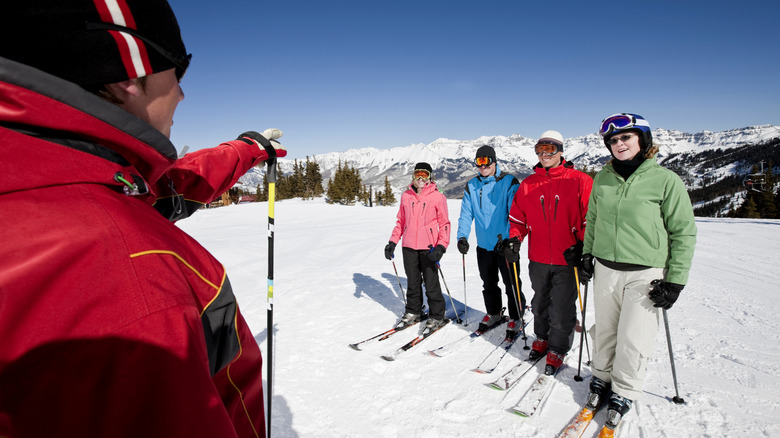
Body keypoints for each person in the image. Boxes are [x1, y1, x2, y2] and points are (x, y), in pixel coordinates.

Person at [0, 2, 285, 436]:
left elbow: (169, 188)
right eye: (176, 73)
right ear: (126, 78)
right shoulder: (128, 271)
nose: (183, 95)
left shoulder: (53, 173)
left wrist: (244, 149)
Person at [577, 113, 696, 430]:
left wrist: (675, 280)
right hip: (606, 268)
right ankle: (601, 378)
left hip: (645, 272)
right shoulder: (603, 178)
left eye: (626, 137)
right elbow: (594, 220)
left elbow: (683, 232)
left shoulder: (665, 180)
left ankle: (624, 391)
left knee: (633, 338)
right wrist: (588, 253)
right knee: (604, 331)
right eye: (613, 140)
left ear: (642, 140)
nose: (619, 144)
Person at [505, 130, 593, 375]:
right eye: (539, 150)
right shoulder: (529, 184)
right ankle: (542, 338)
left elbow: (590, 219)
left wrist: (585, 249)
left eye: (549, 150)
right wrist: (514, 240)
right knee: (540, 302)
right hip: (539, 257)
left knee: (562, 307)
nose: (544, 155)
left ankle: (557, 347)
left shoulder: (579, 181)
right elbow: (518, 219)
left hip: (569, 258)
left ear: (561, 151)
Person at [456, 145, 526, 336]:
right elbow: (466, 213)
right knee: (488, 283)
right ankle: (494, 312)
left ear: (495, 162)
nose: (483, 166)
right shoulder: (472, 185)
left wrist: (513, 239)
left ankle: (516, 315)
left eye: (487, 161)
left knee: (511, 283)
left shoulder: (508, 182)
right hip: (484, 246)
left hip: (505, 245)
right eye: (479, 162)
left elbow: (516, 212)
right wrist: (462, 236)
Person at [385, 163, 451, 330]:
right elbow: (401, 222)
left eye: (425, 175)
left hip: (428, 247)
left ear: (430, 177)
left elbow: (444, 224)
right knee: (413, 283)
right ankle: (414, 311)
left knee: (431, 283)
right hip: (408, 246)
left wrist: (441, 247)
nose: (421, 178)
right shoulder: (406, 196)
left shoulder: (437, 197)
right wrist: (392, 242)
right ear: (413, 176)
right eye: (418, 174)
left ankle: (437, 315)